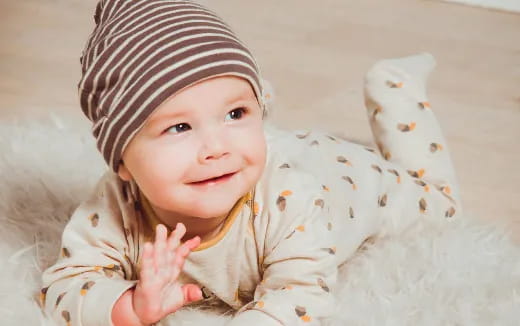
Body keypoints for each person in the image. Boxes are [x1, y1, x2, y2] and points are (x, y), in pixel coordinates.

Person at [40, 1, 462, 325]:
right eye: (180, 128)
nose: (216, 148)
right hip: (277, 152)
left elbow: (298, 296)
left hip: (342, 175)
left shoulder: (293, 202)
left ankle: (394, 90)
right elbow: (64, 286)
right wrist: (130, 305)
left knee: (438, 203)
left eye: (236, 114)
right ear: (122, 161)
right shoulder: (115, 206)